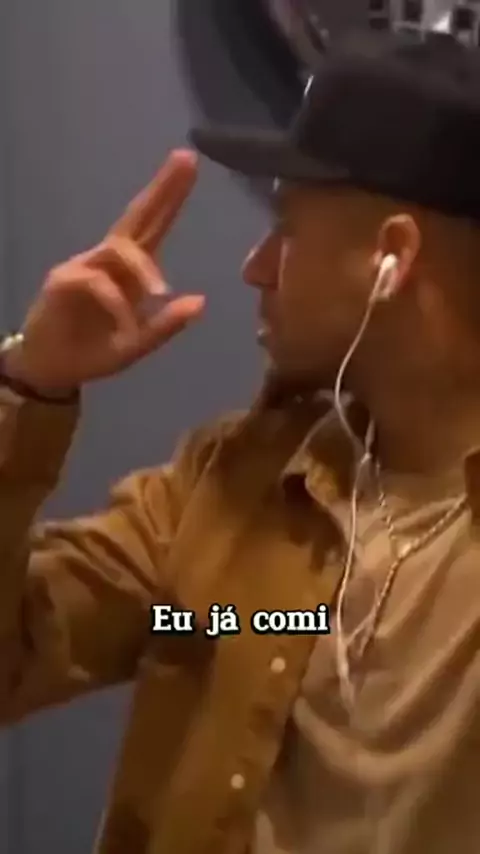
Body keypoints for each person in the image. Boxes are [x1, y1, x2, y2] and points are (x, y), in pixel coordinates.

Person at [1, 26, 480, 854]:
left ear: (391, 259)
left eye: (285, 227)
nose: (255, 267)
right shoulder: (232, 488)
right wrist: (28, 389)